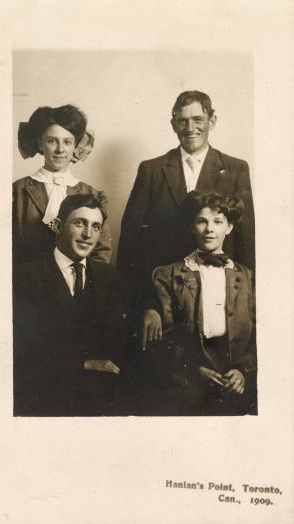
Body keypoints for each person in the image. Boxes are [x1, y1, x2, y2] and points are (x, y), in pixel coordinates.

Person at [117, 90, 255, 301]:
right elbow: (131, 240)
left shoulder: (236, 168)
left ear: (212, 121)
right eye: (183, 121)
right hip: (165, 291)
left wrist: (248, 296)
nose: (190, 128)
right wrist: (143, 303)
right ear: (174, 125)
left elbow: (246, 238)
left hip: (222, 290)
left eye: (198, 119)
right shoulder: (151, 170)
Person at [140, 191, 257, 416]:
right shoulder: (167, 275)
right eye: (202, 221)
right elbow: (162, 338)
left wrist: (242, 370)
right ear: (191, 226)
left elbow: (263, 335)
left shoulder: (248, 278)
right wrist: (193, 369)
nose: (210, 229)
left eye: (218, 221)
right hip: (186, 379)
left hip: (236, 378)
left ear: (229, 227)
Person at [13, 194, 129, 416]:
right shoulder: (24, 276)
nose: (88, 235)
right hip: (46, 397)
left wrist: (151, 310)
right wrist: (82, 364)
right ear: (57, 226)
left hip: (101, 399)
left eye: (95, 227)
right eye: (79, 223)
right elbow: (25, 348)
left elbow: (122, 338)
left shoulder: (110, 277)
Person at [13, 104, 112, 266]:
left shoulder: (92, 194)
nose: (60, 149)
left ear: (75, 147)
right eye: (52, 141)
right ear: (40, 144)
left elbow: (101, 252)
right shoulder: (17, 191)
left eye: (67, 142)